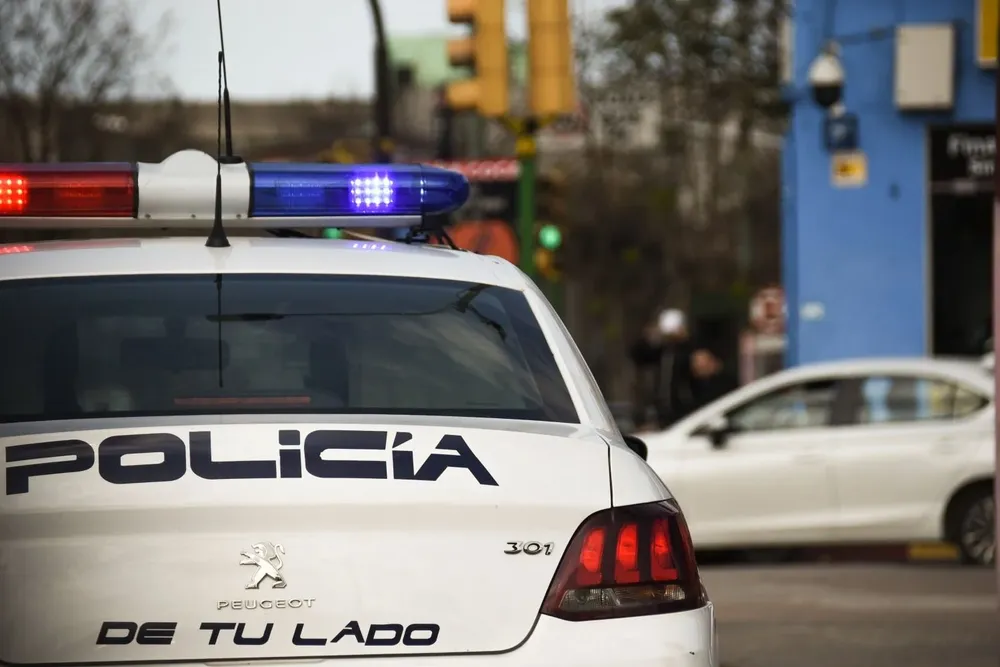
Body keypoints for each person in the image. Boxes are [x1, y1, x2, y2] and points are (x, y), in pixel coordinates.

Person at [629, 309, 697, 430]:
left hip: (685, 408)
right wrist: (649, 337)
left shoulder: (689, 349)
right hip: (662, 408)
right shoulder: (662, 351)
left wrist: (683, 340)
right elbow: (637, 355)